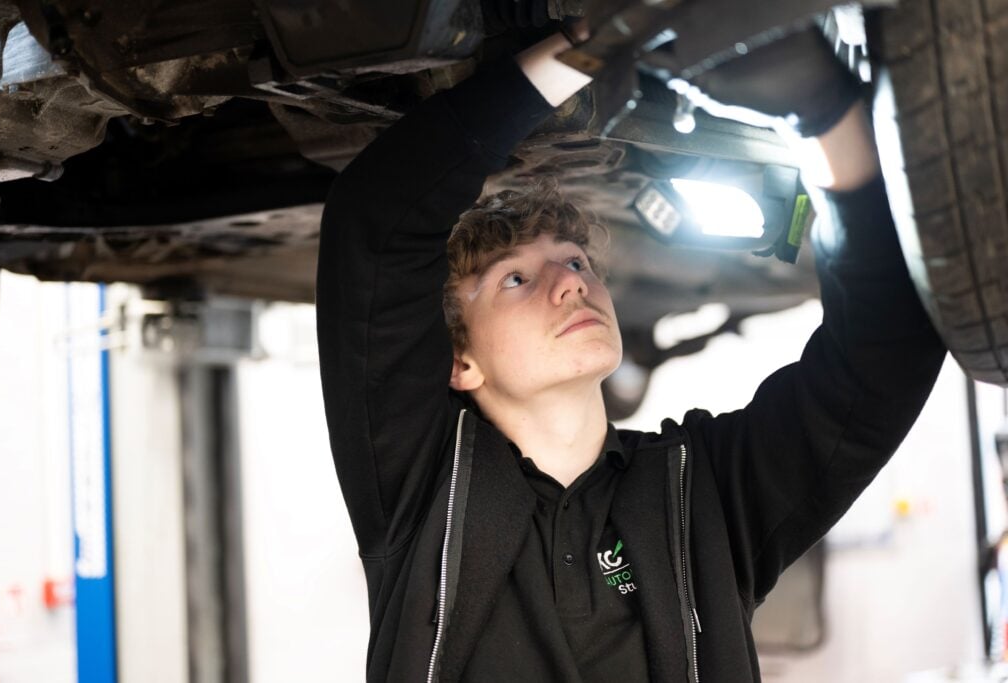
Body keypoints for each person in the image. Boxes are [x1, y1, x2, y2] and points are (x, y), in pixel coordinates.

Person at [316, 19, 947, 683]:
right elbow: (376, 221)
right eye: (516, 278)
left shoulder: (700, 494)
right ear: (460, 361)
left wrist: (822, 111)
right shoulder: (425, 493)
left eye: (576, 259)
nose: (570, 283)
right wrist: (588, 42)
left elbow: (879, 365)